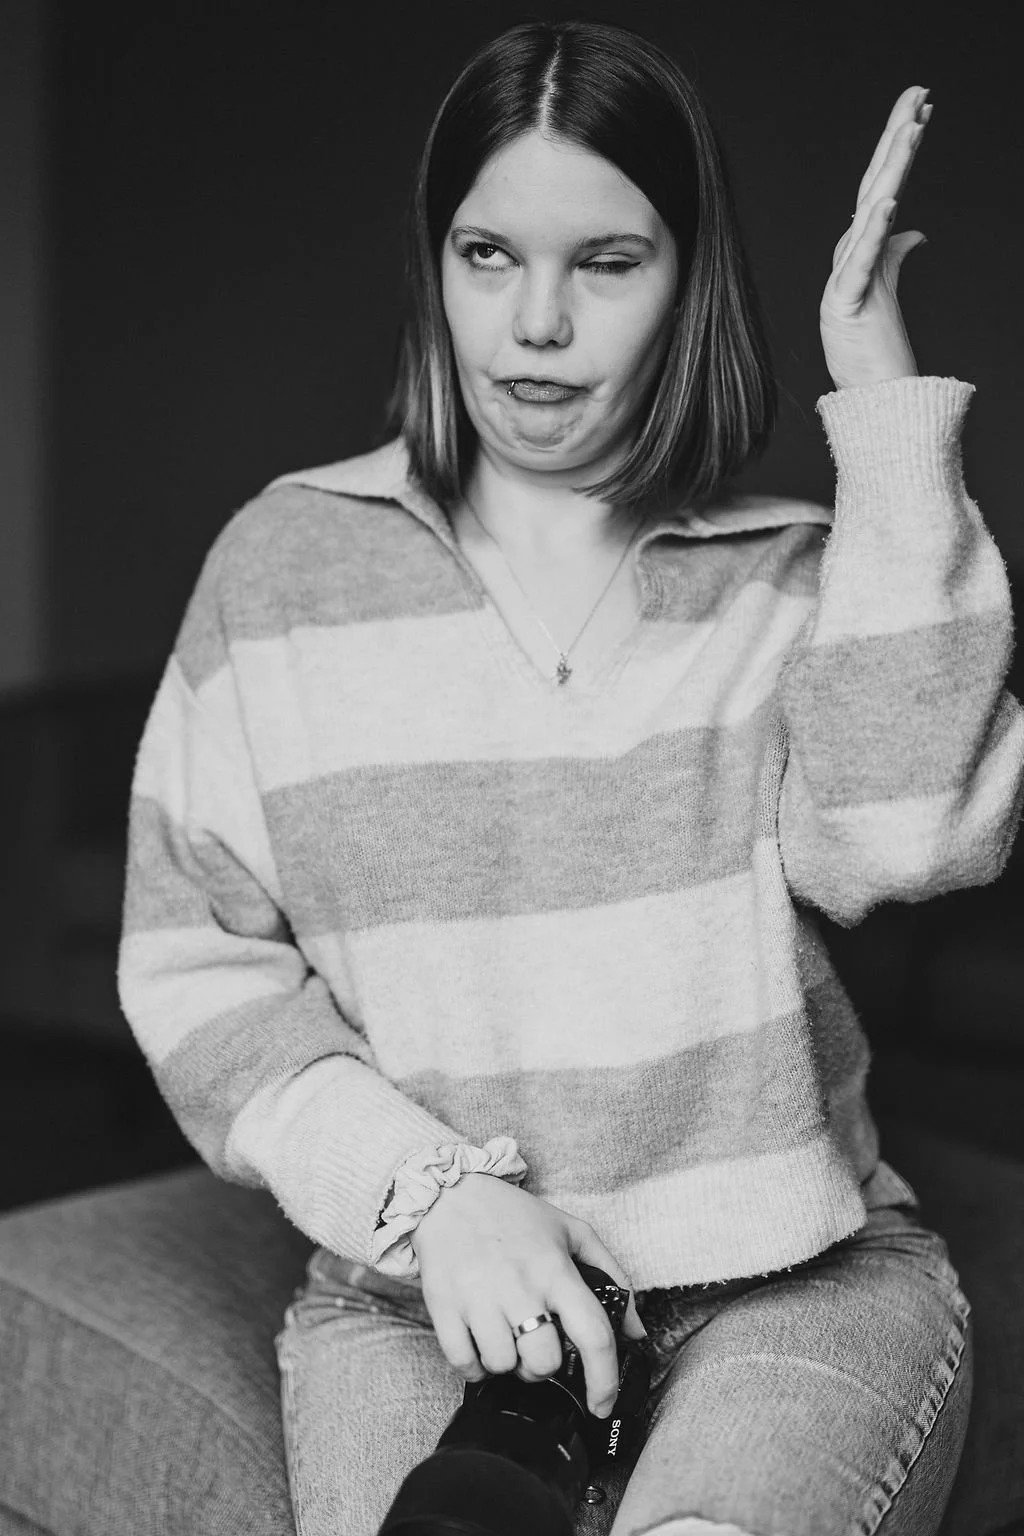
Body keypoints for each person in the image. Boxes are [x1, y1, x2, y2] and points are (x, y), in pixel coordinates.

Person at [117, 19, 1024, 1536]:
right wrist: (433, 1198)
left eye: (607, 262)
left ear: (687, 282)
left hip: (787, 1286)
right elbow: (194, 961)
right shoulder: (285, 566)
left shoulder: (793, 573)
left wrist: (884, 415)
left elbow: (909, 839)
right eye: (489, 255)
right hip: (425, 1292)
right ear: (439, 263)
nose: (534, 323)